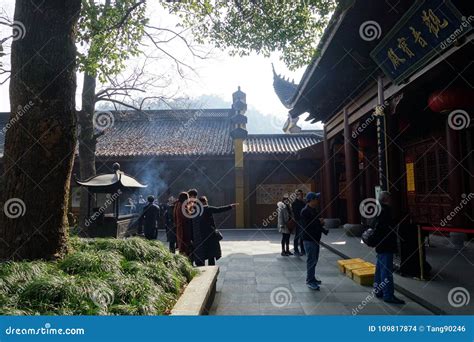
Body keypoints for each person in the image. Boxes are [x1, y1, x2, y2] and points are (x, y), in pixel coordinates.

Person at [372, 191, 405, 304]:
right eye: (389, 198)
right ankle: (388, 295)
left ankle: (378, 290)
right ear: (386, 199)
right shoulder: (386, 211)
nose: (391, 200)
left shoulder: (377, 210)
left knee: (379, 269)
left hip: (380, 244)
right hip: (386, 244)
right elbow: (386, 227)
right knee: (386, 271)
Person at [193, 196, 238, 266]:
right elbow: (219, 209)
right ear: (204, 202)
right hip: (210, 234)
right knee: (211, 253)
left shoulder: (197, 211)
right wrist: (230, 206)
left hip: (201, 235)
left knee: (203, 252)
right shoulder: (207, 209)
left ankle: (203, 268)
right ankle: (212, 268)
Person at [301, 192, 328, 290]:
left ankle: (312, 278)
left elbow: (316, 222)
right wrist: (319, 222)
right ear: (311, 200)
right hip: (309, 239)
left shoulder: (314, 210)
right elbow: (307, 226)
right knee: (311, 260)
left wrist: (322, 226)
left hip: (315, 239)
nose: (317, 200)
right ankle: (309, 281)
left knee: (314, 260)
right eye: (316, 199)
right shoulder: (305, 211)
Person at [174, 192, 193, 258]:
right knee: (185, 246)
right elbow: (186, 216)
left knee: (181, 246)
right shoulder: (182, 205)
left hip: (180, 227)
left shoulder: (177, 204)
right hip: (184, 228)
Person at [292, 189, 306, 256]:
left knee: (302, 236)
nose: (301, 196)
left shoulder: (303, 203)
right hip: (298, 221)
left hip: (303, 221)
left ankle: (303, 250)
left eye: (302, 195)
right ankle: (296, 250)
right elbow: (295, 213)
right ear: (297, 195)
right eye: (300, 195)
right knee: (297, 235)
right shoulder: (294, 203)